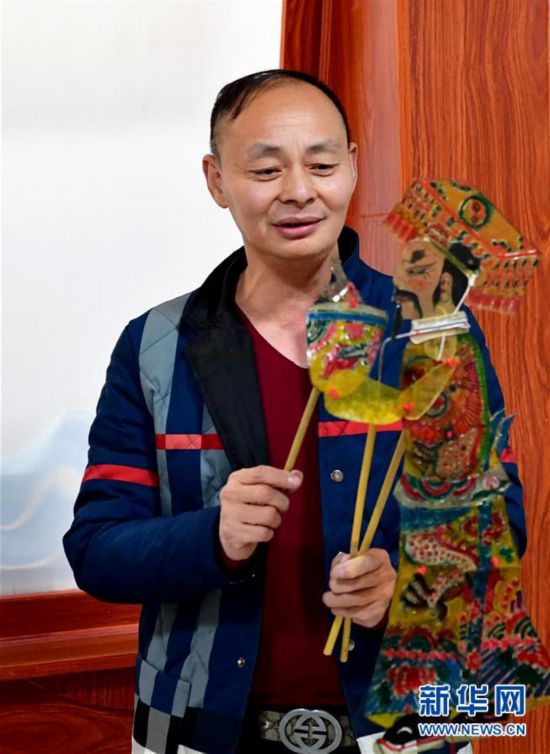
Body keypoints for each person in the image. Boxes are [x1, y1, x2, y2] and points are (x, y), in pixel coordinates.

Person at [63, 71, 522, 754]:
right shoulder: (155, 345)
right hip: (199, 730)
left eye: (322, 165)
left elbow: (498, 522)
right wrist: (214, 537)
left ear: (353, 167)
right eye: (266, 169)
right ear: (217, 180)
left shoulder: (428, 332)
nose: (299, 191)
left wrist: (405, 586)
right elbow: (98, 550)